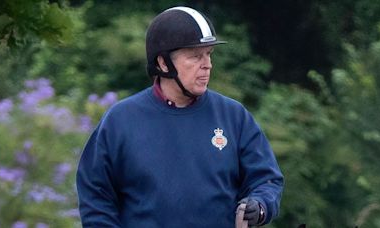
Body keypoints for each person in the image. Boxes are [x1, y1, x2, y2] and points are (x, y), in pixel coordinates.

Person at [76, 6, 284, 228]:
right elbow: (96, 196)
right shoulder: (119, 121)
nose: (207, 65)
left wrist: (260, 205)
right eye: (195, 56)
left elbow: (266, 179)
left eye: (209, 55)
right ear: (163, 63)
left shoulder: (234, 116)